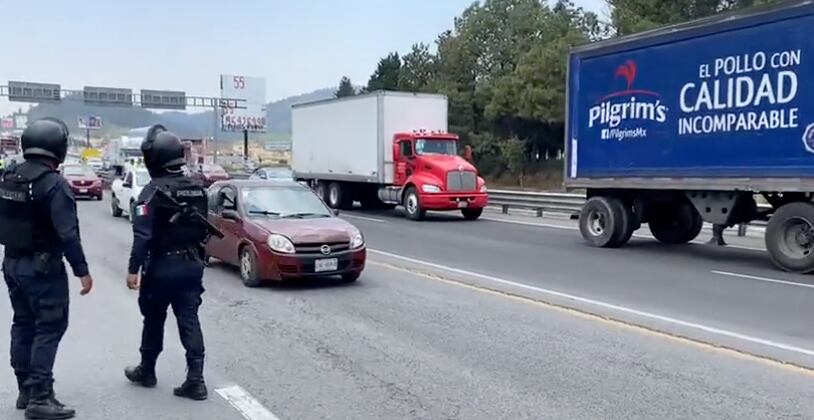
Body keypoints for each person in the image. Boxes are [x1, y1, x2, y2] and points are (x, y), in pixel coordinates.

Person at [0, 118, 94, 419]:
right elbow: (68, 234)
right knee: (49, 326)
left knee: (23, 323)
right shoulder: (54, 184)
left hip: (13, 264)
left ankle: (25, 389)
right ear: (58, 148)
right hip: (43, 269)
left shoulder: (9, 177)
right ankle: (40, 395)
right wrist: (82, 271)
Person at [124, 124, 210, 401]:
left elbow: (142, 236)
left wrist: (132, 269)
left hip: (161, 267)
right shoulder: (197, 190)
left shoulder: (151, 192)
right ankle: (195, 380)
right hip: (191, 265)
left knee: (153, 319)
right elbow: (204, 231)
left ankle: (147, 370)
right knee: (189, 320)